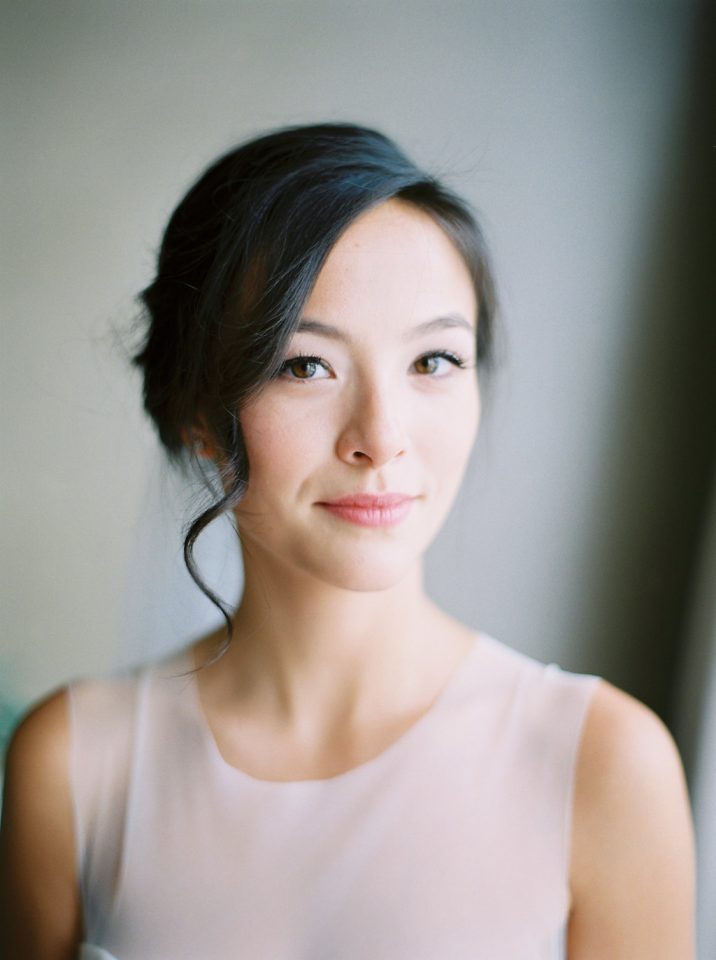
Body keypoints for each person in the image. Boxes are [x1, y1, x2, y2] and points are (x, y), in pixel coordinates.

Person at [0, 123, 695, 959]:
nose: (382, 438)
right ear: (197, 413)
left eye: (434, 361)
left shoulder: (602, 764)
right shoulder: (75, 765)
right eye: (305, 365)